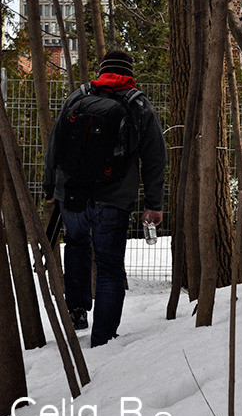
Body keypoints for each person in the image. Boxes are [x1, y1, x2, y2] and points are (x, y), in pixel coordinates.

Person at [43, 49, 167, 346]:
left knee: (76, 246)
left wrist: (50, 188)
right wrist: (154, 204)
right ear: (129, 73)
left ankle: (76, 311)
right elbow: (154, 158)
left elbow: (55, 144)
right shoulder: (138, 105)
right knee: (110, 265)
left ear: (102, 71)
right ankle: (103, 338)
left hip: (72, 195)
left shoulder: (78, 96)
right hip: (114, 196)